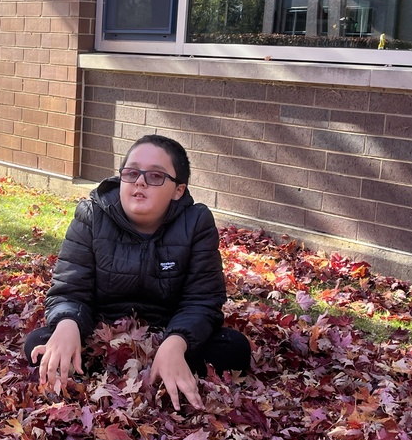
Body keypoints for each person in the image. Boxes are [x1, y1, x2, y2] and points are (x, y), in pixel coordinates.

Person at [25, 134, 251, 410]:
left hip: (168, 331)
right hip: (101, 331)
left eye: (155, 176)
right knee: (39, 344)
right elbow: (70, 290)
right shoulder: (92, 216)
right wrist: (68, 324)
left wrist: (177, 342)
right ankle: (120, 369)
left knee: (234, 348)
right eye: (131, 173)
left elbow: (203, 301)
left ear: (178, 190)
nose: (140, 182)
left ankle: (165, 364)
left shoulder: (196, 223)